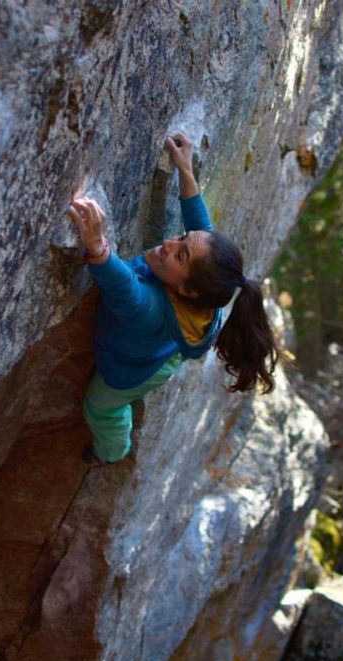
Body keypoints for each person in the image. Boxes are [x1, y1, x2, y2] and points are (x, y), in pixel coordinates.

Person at [68, 131, 280, 465]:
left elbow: (123, 287)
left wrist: (96, 244)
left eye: (180, 255)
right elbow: (201, 229)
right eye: (182, 238)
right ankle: (167, 354)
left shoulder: (151, 311)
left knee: (100, 407)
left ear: (187, 292)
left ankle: (110, 451)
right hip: (166, 345)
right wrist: (185, 170)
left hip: (131, 369)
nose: (168, 244)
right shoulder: (205, 288)